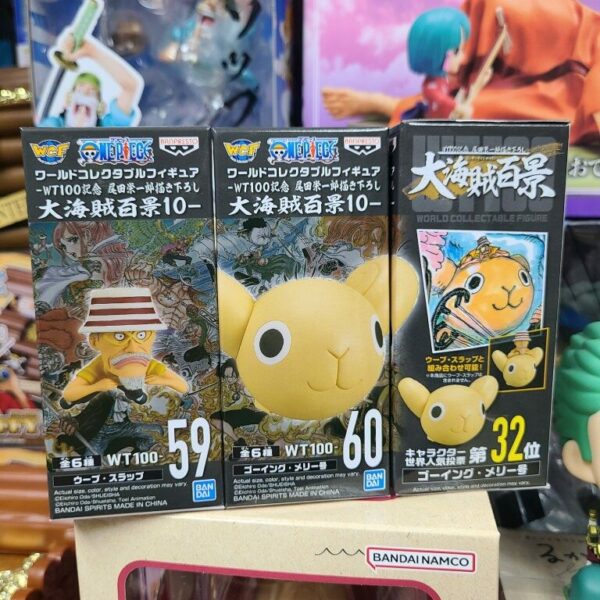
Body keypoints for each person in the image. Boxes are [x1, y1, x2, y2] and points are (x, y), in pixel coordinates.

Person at [56, 288, 188, 456]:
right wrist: (99, 385)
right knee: (92, 457)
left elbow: (182, 386)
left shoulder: (147, 364)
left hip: (126, 427)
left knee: (156, 433)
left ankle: (131, 454)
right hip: (101, 430)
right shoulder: (98, 368)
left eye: (141, 335)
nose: (132, 347)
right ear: (95, 341)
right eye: (119, 337)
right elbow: (69, 395)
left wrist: (163, 380)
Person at [322, 7, 476, 122]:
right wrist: (457, 107)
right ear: (436, 53)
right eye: (457, 51)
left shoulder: (443, 81)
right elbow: (439, 99)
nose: (462, 56)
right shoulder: (432, 86)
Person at [40, 32, 142, 128]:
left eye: (92, 92)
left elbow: (130, 87)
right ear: (68, 101)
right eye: (80, 89)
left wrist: (91, 51)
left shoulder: (108, 128)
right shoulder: (52, 125)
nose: (85, 93)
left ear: (99, 106)